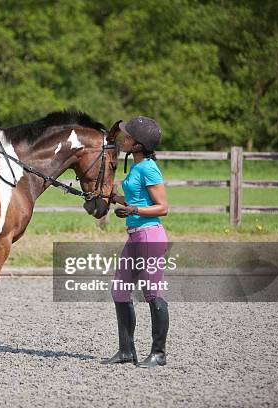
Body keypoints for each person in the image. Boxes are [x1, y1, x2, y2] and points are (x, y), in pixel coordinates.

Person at [102, 116, 170, 368]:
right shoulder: (137, 167)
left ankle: (158, 353)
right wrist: (112, 197)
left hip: (150, 236)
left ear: (139, 145)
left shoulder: (149, 168)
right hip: (135, 236)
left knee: (152, 293)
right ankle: (126, 351)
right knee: (119, 290)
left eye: (128, 137)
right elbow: (136, 199)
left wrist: (133, 212)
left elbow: (163, 207)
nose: (124, 140)